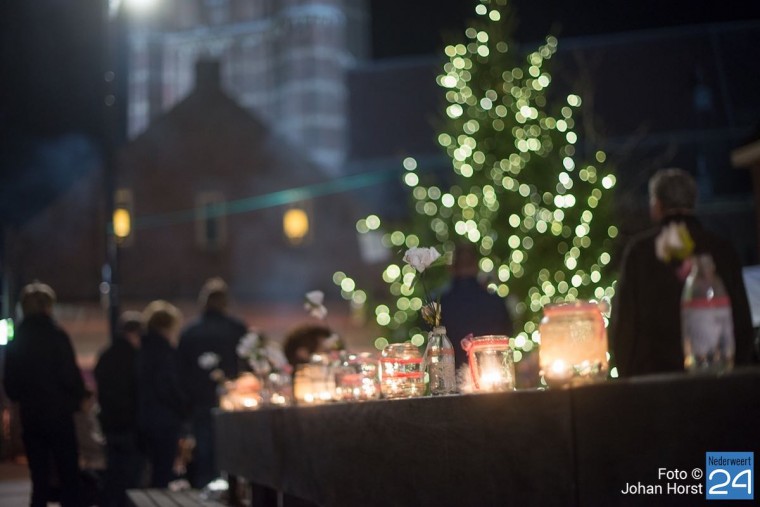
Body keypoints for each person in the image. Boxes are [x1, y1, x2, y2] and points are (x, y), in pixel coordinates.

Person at [610, 168, 754, 377]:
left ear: (656, 205)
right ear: (693, 203)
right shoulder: (721, 249)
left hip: (653, 384)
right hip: (716, 379)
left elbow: (624, 326)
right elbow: (741, 320)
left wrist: (627, 376)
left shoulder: (640, 252)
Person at [3, 281, 85, 507]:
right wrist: (77, 399)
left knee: (38, 477)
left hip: (32, 416)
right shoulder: (57, 335)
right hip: (59, 414)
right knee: (68, 474)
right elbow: (70, 376)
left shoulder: (17, 340)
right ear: (48, 306)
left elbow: (11, 385)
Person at [177, 277, 248, 489]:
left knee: (205, 452)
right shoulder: (236, 329)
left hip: (199, 401)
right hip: (232, 400)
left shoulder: (190, 332)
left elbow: (181, 369)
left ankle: (205, 493)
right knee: (230, 451)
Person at [94, 311, 144, 507]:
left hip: (110, 424)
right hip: (130, 425)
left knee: (113, 474)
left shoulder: (105, 355)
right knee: (131, 478)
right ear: (135, 334)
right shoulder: (136, 358)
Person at [137, 300, 187, 488]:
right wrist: (183, 407)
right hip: (164, 420)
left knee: (147, 473)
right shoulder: (165, 352)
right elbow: (168, 386)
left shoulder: (141, 349)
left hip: (144, 419)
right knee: (162, 473)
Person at [439, 242, 514, 368]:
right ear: (476, 265)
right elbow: (508, 332)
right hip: (490, 375)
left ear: (451, 267)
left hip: (450, 379)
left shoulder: (439, 305)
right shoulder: (494, 301)